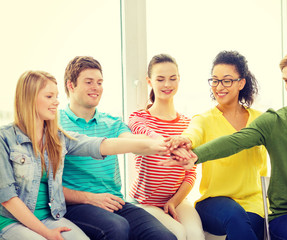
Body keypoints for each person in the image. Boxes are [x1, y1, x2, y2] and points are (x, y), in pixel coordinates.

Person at [167, 48, 287, 240]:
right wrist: (195, 155)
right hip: (286, 217)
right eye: (285, 80)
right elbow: (235, 141)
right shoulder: (275, 121)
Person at [0, 70, 168, 240]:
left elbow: (100, 145)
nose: (56, 102)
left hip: (48, 217)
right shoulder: (4, 138)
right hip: (11, 220)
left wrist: (160, 144)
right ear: (29, 98)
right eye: (49, 96)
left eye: (56, 96)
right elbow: (8, 199)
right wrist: (46, 234)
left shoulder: (56, 138)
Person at [59, 56, 176, 240]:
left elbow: (133, 142)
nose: (96, 87)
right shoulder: (56, 124)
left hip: (114, 202)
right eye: (89, 82)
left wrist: (167, 145)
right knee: (116, 228)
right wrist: (90, 198)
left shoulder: (112, 122)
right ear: (71, 85)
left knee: (164, 237)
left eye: (99, 82)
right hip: (76, 205)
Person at [168, 50, 267, 240]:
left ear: (241, 83)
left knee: (246, 226)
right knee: (235, 216)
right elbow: (193, 133)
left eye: (227, 80)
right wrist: (185, 140)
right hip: (213, 203)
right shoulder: (204, 119)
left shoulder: (260, 120)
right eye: (215, 80)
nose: (219, 87)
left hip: (253, 203)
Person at [127, 54, 205, 240]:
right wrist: (171, 144)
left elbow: (191, 173)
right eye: (160, 79)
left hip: (176, 201)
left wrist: (174, 201)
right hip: (145, 203)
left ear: (179, 79)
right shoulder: (139, 117)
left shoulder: (188, 124)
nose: (167, 85)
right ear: (149, 81)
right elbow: (143, 132)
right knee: (176, 234)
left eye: (172, 78)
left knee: (195, 235)